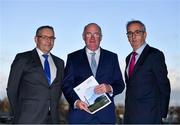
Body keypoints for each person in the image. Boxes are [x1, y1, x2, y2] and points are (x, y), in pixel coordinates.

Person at [62, 23, 125, 124]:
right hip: (80, 116)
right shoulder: (73, 57)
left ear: (101, 37)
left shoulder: (112, 57)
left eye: (96, 34)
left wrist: (109, 88)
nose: (92, 38)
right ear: (83, 37)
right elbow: (66, 85)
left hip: (106, 118)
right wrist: (76, 102)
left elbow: (120, 84)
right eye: (88, 34)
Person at [7, 25, 64, 123]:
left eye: (51, 38)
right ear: (36, 39)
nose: (48, 41)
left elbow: (58, 91)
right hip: (27, 119)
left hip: (53, 119)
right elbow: (12, 89)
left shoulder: (60, 62)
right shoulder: (23, 58)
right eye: (44, 37)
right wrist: (19, 114)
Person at [123, 20, 171, 123]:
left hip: (150, 116)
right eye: (130, 33)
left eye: (137, 32)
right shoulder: (128, 58)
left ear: (145, 34)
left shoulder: (155, 55)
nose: (133, 36)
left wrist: (161, 114)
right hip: (129, 116)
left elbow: (164, 85)